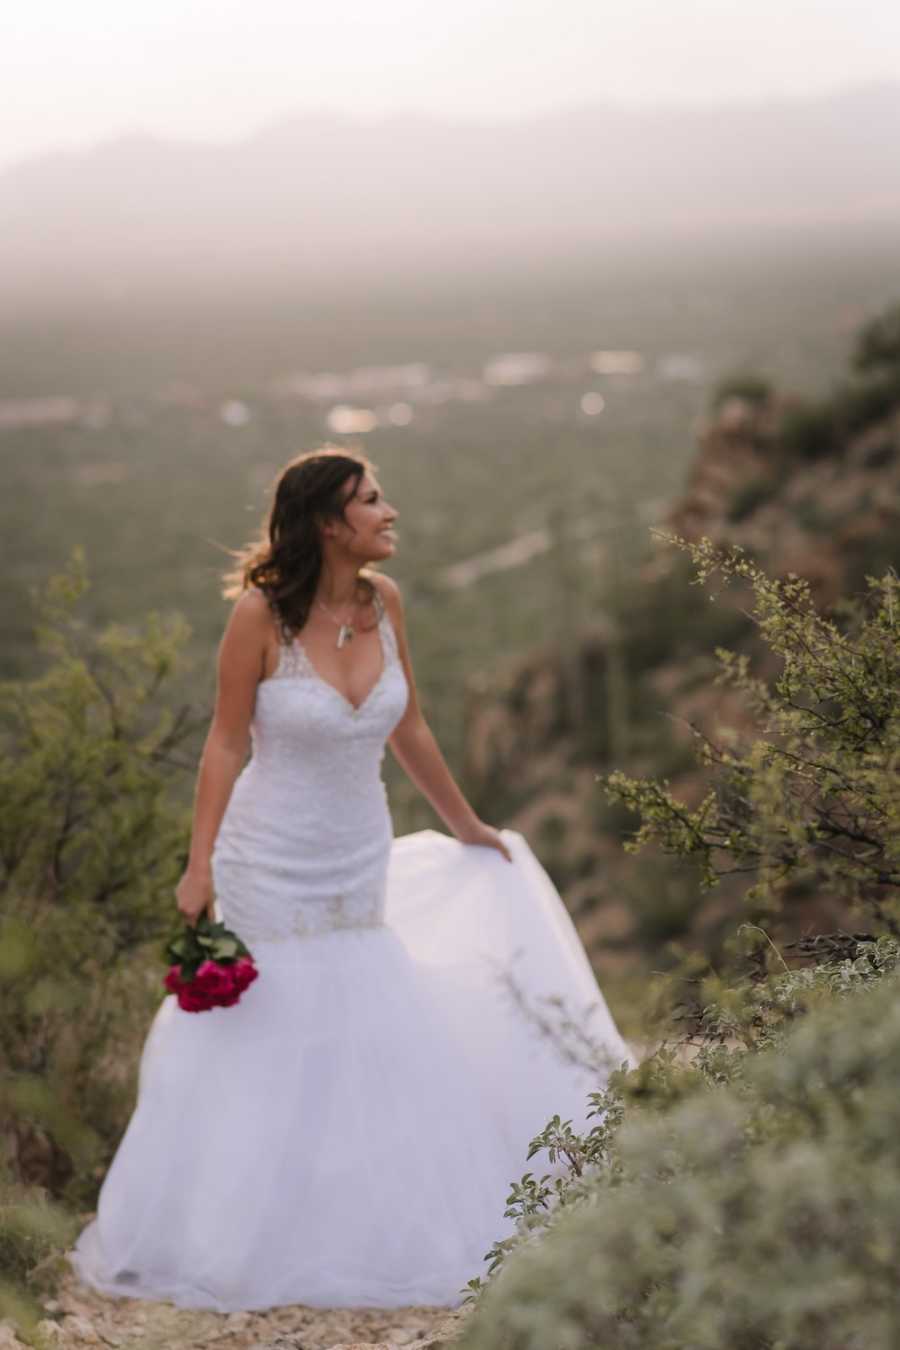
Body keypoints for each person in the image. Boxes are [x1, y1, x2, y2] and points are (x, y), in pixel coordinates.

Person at [70, 447, 634, 1313]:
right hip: (267, 854)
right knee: (273, 1024)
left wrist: (469, 827)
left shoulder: (386, 603)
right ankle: (235, 1234)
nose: (389, 512)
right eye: (373, 501)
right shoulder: (259, 617)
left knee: (359, 1012)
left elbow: (409, 725)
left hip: (355, 848)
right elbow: (225, 742)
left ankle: (352, 1224)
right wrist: (199, 865)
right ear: (330, 523)